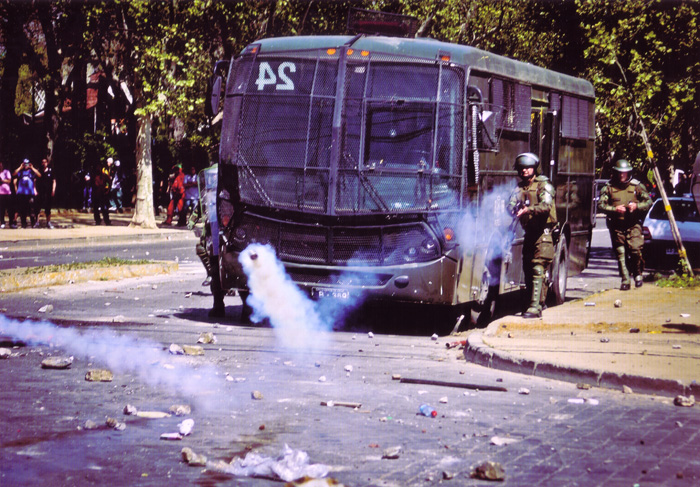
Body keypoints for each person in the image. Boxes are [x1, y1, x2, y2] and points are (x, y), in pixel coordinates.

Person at [508, 153, 557, 318]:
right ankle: (537, 303)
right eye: (522, 168)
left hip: (543, 232)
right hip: (529, 232)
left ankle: (535, 308)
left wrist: (529, 209)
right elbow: (510, 204)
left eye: (528, 168)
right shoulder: (519, 188)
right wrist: (513, 209)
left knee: (538, 267)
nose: (525, 171)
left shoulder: (544, 185)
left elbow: (546, 206)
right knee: (528, 270)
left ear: (535, 169)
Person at [598, 159, 652, 290]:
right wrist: (614, 209)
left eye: (625, 173)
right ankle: (625, 279)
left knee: (635, 250)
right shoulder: (609, 187)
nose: (622, 175)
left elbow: (649, 202)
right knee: (620, 252)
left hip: (633, 224)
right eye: (620, 173)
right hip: (617, 225)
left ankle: (638, 274)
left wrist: (637, 206)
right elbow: (601, 205)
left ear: (629, 173)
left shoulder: (637, 186)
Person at [13, 159, 41, 228]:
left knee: (31, 209)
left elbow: (39, 175)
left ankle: (33, 223)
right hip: (22, 193)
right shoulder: (21, 171)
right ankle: (24, 224)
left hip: (30, 193)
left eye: (27, 164)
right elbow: (14, 174)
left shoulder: (32, 172)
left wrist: (32, 168)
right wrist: (20, 167)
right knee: (22, 209)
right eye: (25, 164)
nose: (26, 165)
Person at [34, 158, 56, 228]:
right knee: (37, 207)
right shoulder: (39, 171)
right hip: (40, 192)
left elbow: (54, 181)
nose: (44, 163)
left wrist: (53, 190)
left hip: (48, 192)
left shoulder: (51, 171)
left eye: (45, 162)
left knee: (48, 207)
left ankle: (48, 222)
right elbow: (34, 181)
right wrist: (35, 190)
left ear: (47, 162)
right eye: (42, 162)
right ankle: (37, 222)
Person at [93, 158, 112, 225]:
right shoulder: (94, 176)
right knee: (95, 208)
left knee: (104, 208)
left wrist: (107, 189)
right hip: (95, 194)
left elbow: (109, 182)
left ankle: (107, 220)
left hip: (102, 194)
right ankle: (97, 220)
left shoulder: (104, 176)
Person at [0, 160, 12, 229]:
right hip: (0, 193)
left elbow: (9, 180)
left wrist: (2, 180)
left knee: (9, 208)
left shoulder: (6, 172)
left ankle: (11, 222)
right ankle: (2, 222)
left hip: (7, 193)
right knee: (1, 209)